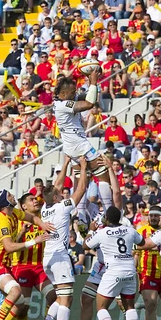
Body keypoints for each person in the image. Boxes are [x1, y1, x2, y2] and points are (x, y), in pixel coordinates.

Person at [0, 189, 54, 320]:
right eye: (9, 195)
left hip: (6, 267)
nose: (13, 195)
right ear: (5, 202)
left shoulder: (14, 213)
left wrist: (42, 224)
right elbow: (8, 247)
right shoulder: (2, 221)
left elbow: (33, 217)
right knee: (15, 292)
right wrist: (34, 241)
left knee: (21, 305)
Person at [70, 155, 125, 320]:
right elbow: (80, 195)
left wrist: (110, 169)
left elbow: (116, 193)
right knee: (86, 298)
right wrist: (79, 170)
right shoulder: (92, 213)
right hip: (100, 264)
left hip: (115, 263)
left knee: (121, 303)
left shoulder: (113, 211)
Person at [36, 156, 89, 320]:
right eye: (60, 193)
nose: (61, 193)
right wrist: (82, 167)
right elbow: (81, 190)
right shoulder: (62, 207)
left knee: (62, 297)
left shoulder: (45, 209)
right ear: (57, 198)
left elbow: (54, 188)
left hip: (47, 258)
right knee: (66, 298)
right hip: (59, 256)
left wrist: (66, 164)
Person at [53, 69, 116, 225]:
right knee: (102, 174)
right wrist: (93, 82)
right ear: (62, 95)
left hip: (72, 148)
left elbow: (85, 97)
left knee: (82, 182)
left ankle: (81, 218)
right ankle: (109, 215)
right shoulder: (62, 105)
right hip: (80, 146)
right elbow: (89, 104)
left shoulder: (61, 101)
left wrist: (87, 78)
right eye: (72, 93)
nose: (74, 95)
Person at [83, 205, 145, 320]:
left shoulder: (103, 232)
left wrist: (91, 229)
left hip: (113, 271)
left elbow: (86, 246)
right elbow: (141, 242)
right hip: (130, 270)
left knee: (101, 306)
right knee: (129, 306)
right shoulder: (130, 230)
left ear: (106, 219)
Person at [12, 192, 56, 320]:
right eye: (31, 200)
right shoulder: (17, 221)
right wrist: (22, 232)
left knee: (54, 296)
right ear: (24, 206)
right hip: (23, 266)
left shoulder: (43, 220)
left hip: (40, 266)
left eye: (35, 198)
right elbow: (12, 245)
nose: (35, 201)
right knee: (23, 306)